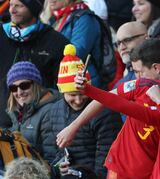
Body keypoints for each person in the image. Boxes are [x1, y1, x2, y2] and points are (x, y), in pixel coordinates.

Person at [56, 40, 160, 179]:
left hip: (154, 174)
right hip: (123, 167)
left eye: (138, 71)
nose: (136, 76)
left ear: (157, 68)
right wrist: (73, 126)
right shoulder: (139, 85)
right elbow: (105, 99)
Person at [44, 44, 121, 179]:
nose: (78, 100)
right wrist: (59, 168)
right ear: (62, 92)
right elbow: (56, 153)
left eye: (82, 94)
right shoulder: (53, 112)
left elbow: (106, 157)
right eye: (72, 95)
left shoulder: (102, 110)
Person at [0, 0, 69, 128]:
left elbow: (64, 88)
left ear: (34, 9)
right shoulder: (2, 34)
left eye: (19, 6)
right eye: (10, 5)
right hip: (2, 121)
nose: (12, 10)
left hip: (40, 125)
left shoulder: (55, 42)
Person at [6, 61, 59, 159]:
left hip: (37, 172)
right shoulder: (17, 112)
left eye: (24, 86)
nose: (19, 92)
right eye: (13, 88)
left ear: (36, 85)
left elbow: (52, 157)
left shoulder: (49, 111)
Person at [48, 0, 107, 88]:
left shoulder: (84, 18)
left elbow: (77, 53)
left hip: (85, 84)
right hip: (67, 81)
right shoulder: (57, 18)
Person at [113, 21, 148, 87]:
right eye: (118, 43)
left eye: (127, 40)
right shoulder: (120, 84)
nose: (121, 47)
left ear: (145, 38)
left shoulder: (159, 72)